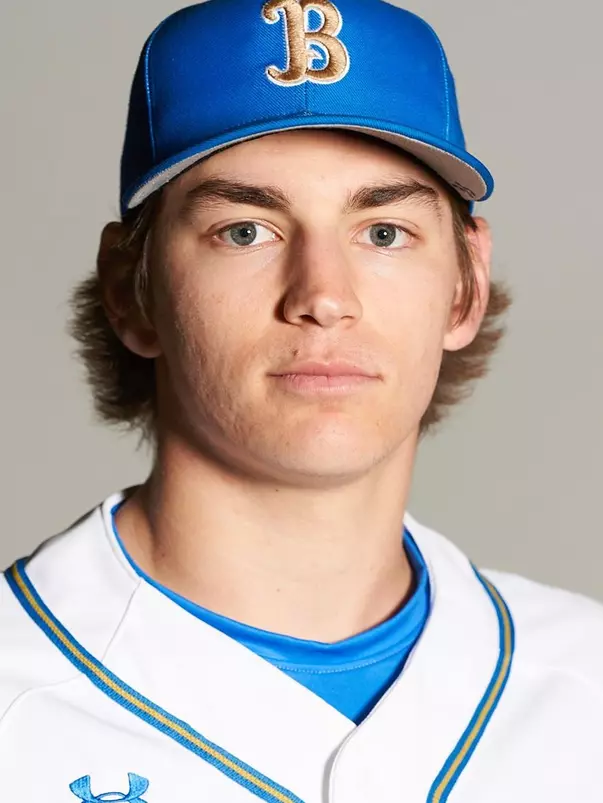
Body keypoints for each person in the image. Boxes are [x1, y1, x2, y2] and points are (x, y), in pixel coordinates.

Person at [1, 0, 602, 800]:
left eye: (383, 232)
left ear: (465, 286)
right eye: (246, 230)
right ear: (130, 290)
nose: (323, 296)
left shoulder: (583, 679)